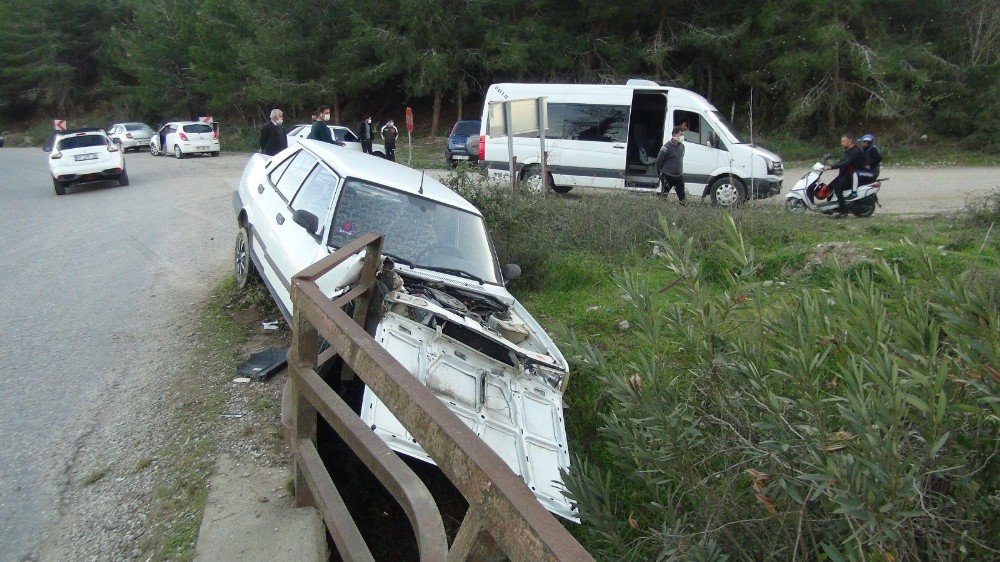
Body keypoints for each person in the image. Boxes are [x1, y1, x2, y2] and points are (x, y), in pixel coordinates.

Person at [823, 133, 864, 217]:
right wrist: (828, 165)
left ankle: (843, 212)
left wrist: (832, 167)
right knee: (829, 188)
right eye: (841, 142)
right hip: (843, 175)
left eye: (843, 141)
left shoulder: (855, 151)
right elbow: (842, 161)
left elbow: (846, 163)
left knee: (838, 190)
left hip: (850, 176)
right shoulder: (848, 151)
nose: (842, 143)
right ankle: (829, 208)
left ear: (850, 141)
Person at [654, 126, 687, 204]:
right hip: (668, 176)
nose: (682, 137)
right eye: (681, 134)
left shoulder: (682, 147)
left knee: (683, 199)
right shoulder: (666, 148)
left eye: (683, 134)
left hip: (679, 177)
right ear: (675, 135)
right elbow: (658, 162)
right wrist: (664, 171)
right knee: (663, 197)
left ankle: (684, 213)